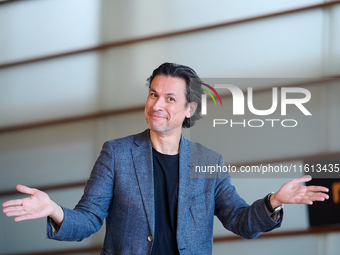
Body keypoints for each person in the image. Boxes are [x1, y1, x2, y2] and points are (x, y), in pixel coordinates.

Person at [2, 63, 329, 255]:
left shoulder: (208, 162)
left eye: (170, 98)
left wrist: (274, 200)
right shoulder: (116, 154)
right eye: (153, 94)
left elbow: (240, 221)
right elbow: (88, 220)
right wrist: (54, 210)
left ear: (189, 109)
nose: (157, 104)